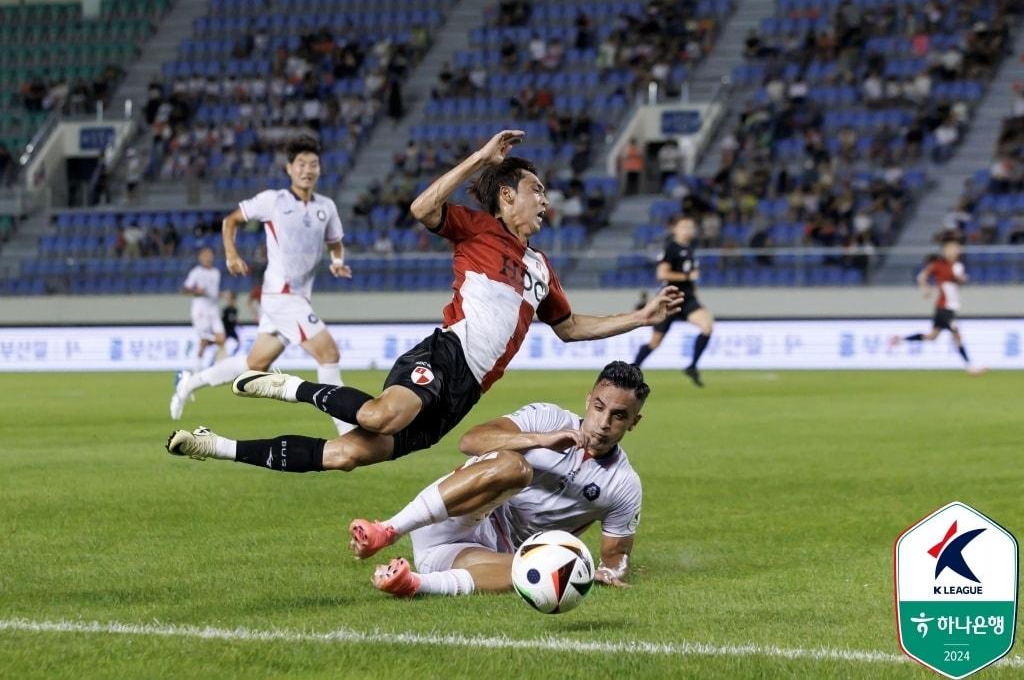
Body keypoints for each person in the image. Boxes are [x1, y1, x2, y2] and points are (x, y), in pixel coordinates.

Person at [165, 130, 682, 475]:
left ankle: (215, 446)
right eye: (536, 190)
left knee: (345, 455)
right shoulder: (478, 228)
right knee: (380, 416)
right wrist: (480, 159)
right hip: (446, 355)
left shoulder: (542, 269)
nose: (544, 201)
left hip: (464, 393)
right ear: (507, 197)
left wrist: (641, 317)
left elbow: (570, 327)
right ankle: (291, 386)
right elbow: (422, 207)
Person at [353, 361, 647, 598]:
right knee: (515, 467)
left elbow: (615, 557)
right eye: (599, 407)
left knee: (546, 569)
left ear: (634, 422)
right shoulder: (548, 418)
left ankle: (414, 583)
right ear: (588, 400)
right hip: (453, 515)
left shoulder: (623, 484)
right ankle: (388, 529)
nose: (604, 423)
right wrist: (540, 440)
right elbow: (471, 441)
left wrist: (609, 573)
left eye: (619, 416)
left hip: (481, 558)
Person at [169, 135, 355, 434]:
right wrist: (231, 254)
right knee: (328, 353)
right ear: (289, 168)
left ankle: (189, 382)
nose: (307, 170)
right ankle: (347, 431)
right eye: (301, 164)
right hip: (281, 295)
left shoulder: (326, 207)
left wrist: (336, 261)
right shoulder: (274, 201)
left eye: (313, 164)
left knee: (254, 364)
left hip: (298, 298)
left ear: (320, 169)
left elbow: (335, 242)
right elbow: (230, 221)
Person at [632, 215, 714, 387]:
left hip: (687, 298)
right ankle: (633, 368)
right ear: (675, 229)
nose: (688, 230)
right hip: (670, 299)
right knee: (655, 342)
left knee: (707, 326)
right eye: (684, 226)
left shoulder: (690, 249)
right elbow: (662, 274)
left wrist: (694, 291)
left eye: (691, 227)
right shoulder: (671, 248)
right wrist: (687, 276)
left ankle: (692, 366)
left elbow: (691, 278)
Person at [888, 237, 984, 374]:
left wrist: (962, 279)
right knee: (956, 334)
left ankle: (900, 339)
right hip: (944, 307)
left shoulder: (958, 266)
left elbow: (960, 281)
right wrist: (925, 288)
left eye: (957, 249)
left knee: (932, 337)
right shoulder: (939, 265)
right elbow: (921, 276)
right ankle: (970, 367)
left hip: (949, 307)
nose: (956, 251)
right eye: (952, 249)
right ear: (945, 251)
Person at [182, 247, 225, 373]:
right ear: (200, 258)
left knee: (221, 339)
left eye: (210, 255)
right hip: (200, 309)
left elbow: (213, 292)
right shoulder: (196, 272)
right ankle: (198, 367)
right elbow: (185, 289)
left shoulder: (216, 272)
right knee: (205, 340)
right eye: (205, 255)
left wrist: (223, 294)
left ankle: (215, 367)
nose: (208, 257)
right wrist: (196, 291)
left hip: (213, 309)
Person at [221, 290, 241, 356]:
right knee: (221, 344)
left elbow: (234, 320)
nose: (232, 302)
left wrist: (237, 323)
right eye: (230, 300)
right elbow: (222, 320)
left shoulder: (235, 310)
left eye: (233, 300)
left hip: (232, 330)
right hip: (226, 330)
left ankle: (232, 355)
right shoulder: (226, 310)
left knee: (238, 343)